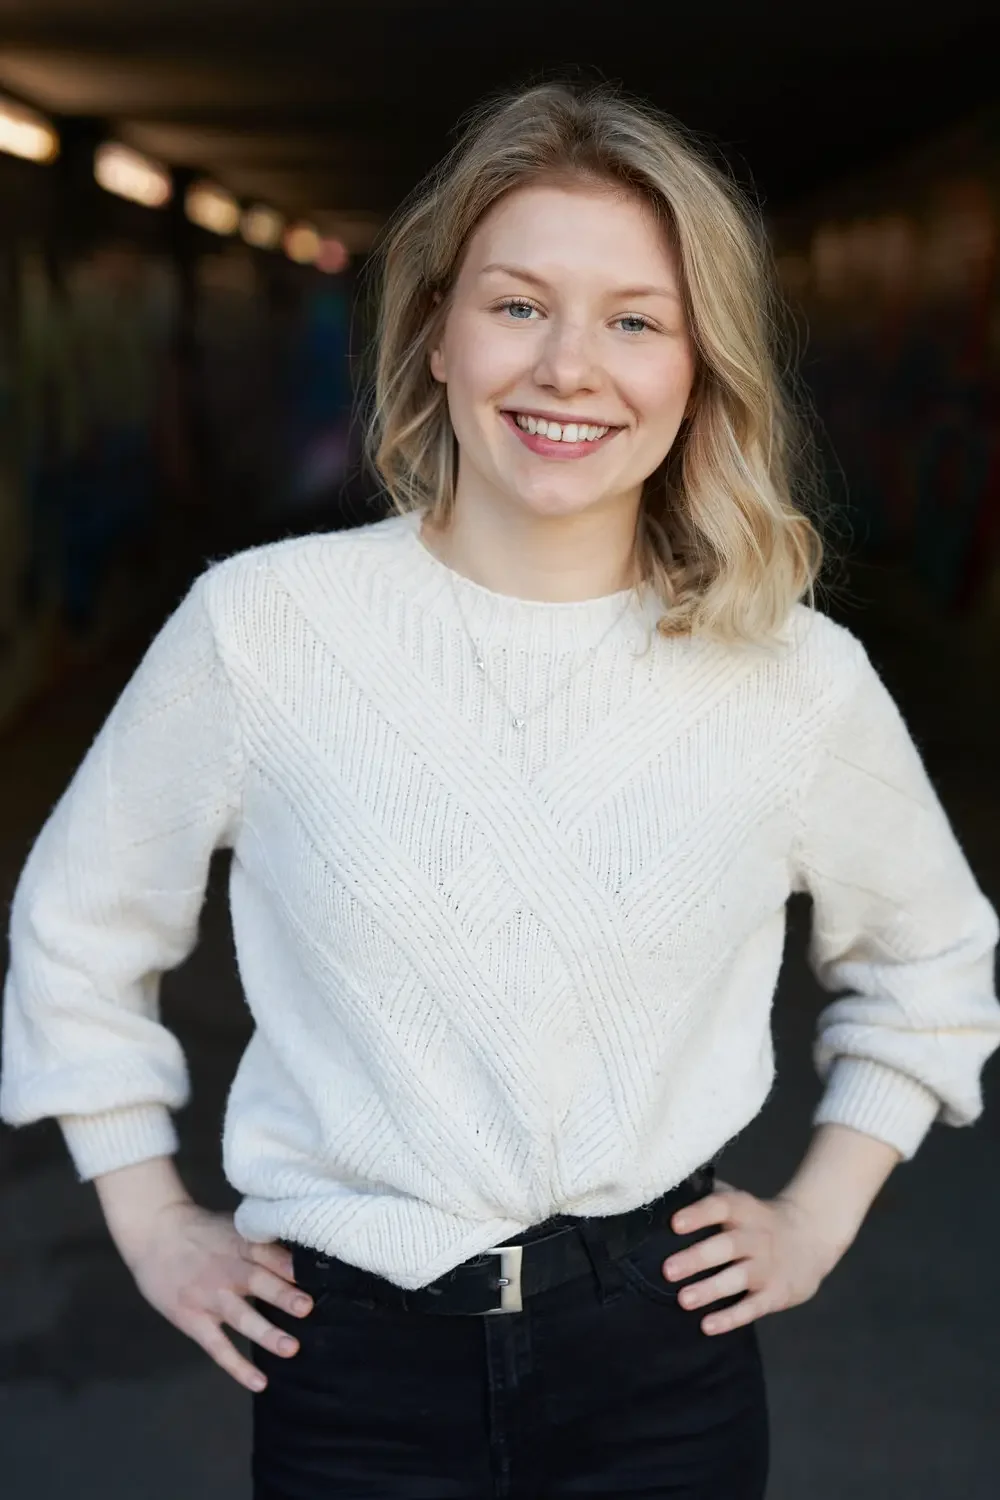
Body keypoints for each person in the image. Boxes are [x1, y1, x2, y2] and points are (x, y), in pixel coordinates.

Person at [2, 81, 998, 1500]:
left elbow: (935, 961)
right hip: (346, 1363)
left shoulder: (792, 675)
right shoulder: (264, 628)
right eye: (518, 304)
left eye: (636, 319)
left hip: (662, 1360)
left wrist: (820, 1215)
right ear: (435, 331)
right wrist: (149, 1213)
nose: (568, 367)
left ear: (701, 365)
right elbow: (78, 926)